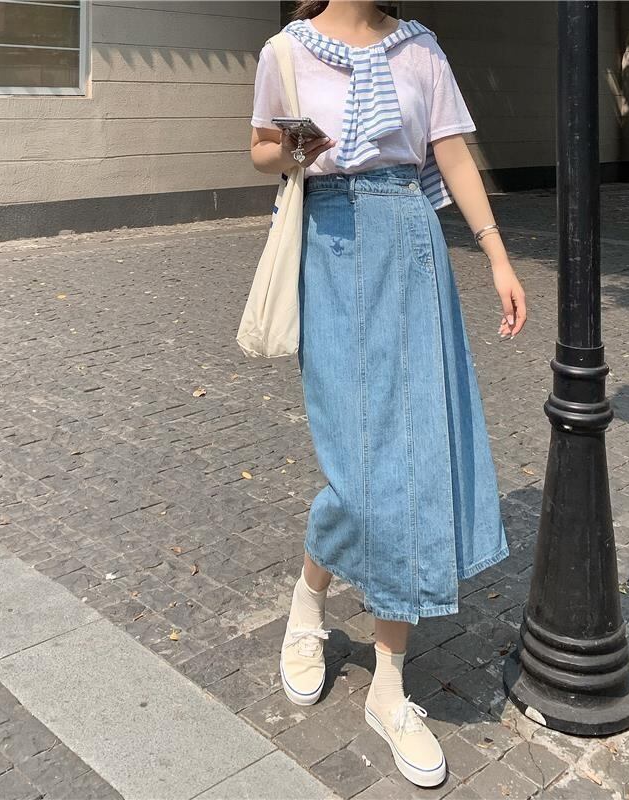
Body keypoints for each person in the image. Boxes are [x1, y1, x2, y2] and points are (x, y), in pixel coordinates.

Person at [249, 0, 527, 788]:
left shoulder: (420, 50)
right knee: (358, 468)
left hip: (409, 243)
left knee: (413, 459)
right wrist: (295, 147)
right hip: (329, 247)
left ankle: (390, 686)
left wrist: (497, 255)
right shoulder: (285, 52)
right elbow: (261, 149)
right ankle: (309, 602)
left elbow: (452, 151)